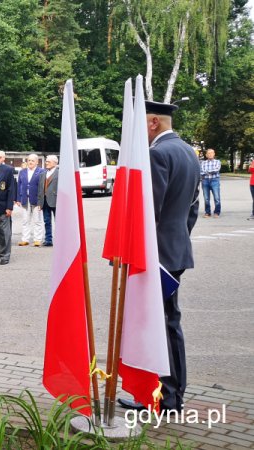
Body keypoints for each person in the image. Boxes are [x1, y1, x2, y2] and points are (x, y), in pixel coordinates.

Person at [119, 101, 200, 413]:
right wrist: (177, 240)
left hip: (157, 258)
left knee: (158, 323)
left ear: (153, 122)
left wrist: (137, 254)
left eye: (142, 123)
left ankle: (164, 397)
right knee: (170, 323)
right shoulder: (187, 152)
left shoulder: (158, 154)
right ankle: (174, 393)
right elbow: (192, 207)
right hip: (175, 251)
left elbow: (148, 213)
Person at [15, 154, 44, 247]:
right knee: (25, 220)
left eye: (32, 160)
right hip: (24, 198)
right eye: (29, 160)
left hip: (36, 199)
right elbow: (19, 185)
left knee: (37, 220)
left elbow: (42, 187)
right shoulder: (22, 172)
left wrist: (41, 200)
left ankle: (38, 239)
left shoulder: (41, 171)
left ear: (37, 162)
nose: (30, 162)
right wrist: (18, 199)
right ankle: (25, 239)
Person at [37, 155, 59, 247]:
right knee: (47, 221)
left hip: (56, 200)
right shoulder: (43, 174)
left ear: (55, 163)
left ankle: (60, 239)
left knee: (58, 222)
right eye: (46, 161)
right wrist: (39, 202)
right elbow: (40, 189)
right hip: (44, 201)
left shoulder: (60, 173)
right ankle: (48, 239)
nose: (46, 163)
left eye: (48, 161)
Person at [200, 148, 221, 218]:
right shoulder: (203, 163)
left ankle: (217, 212)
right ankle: (207, 212)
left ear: (214, 154)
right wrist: (210, 172)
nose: (210, 154)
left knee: (217, 198)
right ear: (206, 155)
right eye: (208, 153)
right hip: (205, 181)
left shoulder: (217, 162)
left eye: (211, 153)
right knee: (206, 198)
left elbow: (216, 170)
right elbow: (201, 172)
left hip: (215, 180)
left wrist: (206, 172)